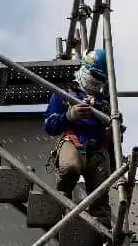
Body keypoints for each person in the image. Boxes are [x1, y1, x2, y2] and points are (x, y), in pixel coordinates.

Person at [43, 49, 114, 227]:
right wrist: (69, 116)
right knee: (70, 168)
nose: (95, 81)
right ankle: (60, 210)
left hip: (97, 150)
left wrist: (101, 113)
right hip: (72, 143)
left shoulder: (105, 103)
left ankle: (101, 240)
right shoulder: (64, 95)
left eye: (100, 78)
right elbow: (49, 125)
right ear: (84, 69)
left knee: (100, 194)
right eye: (93, 75)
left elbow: (116, 133)